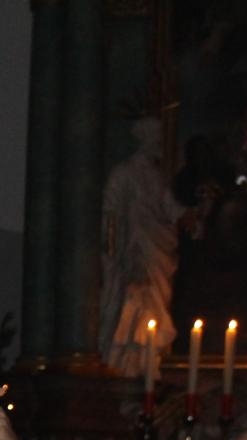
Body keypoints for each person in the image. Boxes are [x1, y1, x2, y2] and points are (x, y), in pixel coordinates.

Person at [99, 116, 183, 377]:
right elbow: (110, 213)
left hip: (155, 250)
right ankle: (125, 362)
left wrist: (192, 216)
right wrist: (114, 251)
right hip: (134, 250)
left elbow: (170, 207)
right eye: (155, 137)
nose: (159, 143)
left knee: (153, 303)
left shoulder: (156, 176)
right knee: (133, 303)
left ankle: (148, 359)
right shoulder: (123, 173)